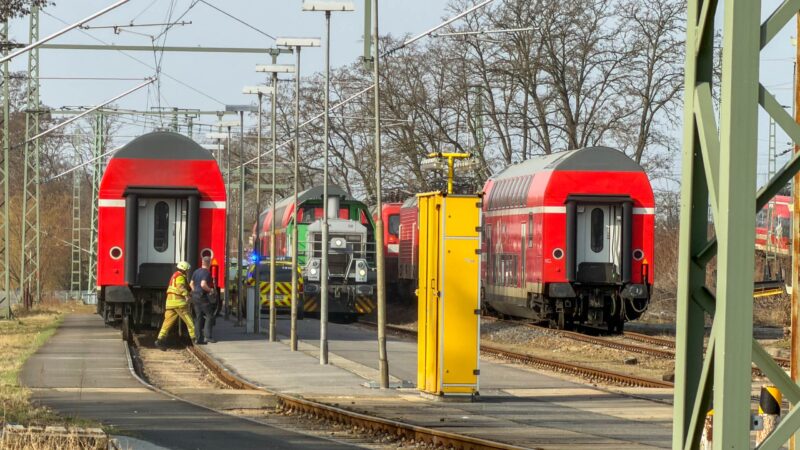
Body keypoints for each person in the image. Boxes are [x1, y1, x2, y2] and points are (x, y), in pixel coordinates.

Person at [155, 261, 196, 350]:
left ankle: (159, 340)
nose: (188, 271)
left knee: (167, 323)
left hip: (170, 303)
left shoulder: (174, 275)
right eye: (187, 270)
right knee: (189, 321)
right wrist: (186, 295)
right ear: (184, 269)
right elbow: (180, 287)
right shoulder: (180, 276)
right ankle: (194, 339)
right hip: (178, 303)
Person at [191, 256, 217, 344]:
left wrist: (195, 291)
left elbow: (191, 284)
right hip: (202, 297)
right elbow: (203, 284)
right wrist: (210, 290)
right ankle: (208, 336)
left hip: (195, 297)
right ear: (209, 263)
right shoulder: (206, 273)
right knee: (210, 315)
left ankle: (198, 338)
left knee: (198, 317)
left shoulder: (196, 271)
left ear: (202, 262)